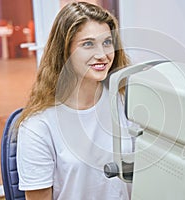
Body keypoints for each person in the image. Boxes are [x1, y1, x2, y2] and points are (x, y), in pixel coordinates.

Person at [16, 2, 133, 199]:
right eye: (88, 44)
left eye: (107, 42)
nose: (102, 55)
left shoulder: (123, 101)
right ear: (65, 51)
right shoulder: (38, 125)